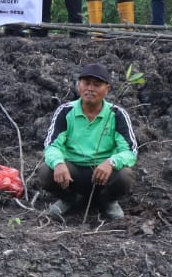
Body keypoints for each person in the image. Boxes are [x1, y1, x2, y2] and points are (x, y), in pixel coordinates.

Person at [35, 62, 137, 220]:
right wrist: (58, 163)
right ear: (78, 85)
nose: (90, 88)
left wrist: (111, 162)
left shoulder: (116, 114)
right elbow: (52, 145)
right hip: (72, 173)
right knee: (46, 171)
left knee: (125, 175)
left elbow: (130, 151)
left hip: (104, 175)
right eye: (86, 83)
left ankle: (107, 201)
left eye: (97, 85)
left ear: (107, 89)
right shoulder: (65, 111)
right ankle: (69, 198)